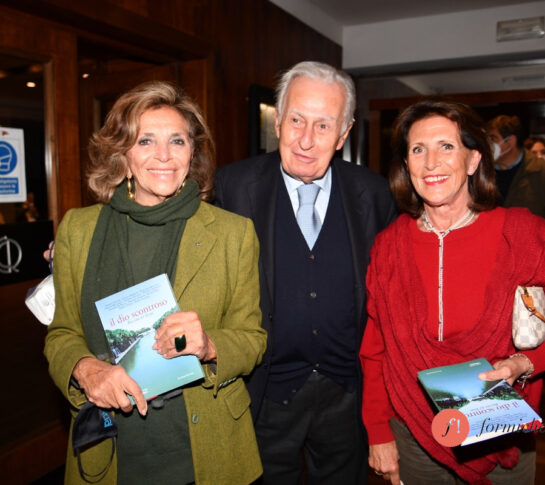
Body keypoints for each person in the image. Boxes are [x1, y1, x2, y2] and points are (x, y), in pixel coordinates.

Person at [44, 81, 267, 485]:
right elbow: (61, 334)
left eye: (177, 141)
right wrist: (85, 369)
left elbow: (252, 339)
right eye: (145, 140)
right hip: (112, 451)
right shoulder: (78, 229)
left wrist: (209, 345)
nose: (163, 155)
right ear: (122, 153)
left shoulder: (233, 233)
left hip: (205, 450)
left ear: (192, 152)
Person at [215, 61, 396, 484]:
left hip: (347, 397)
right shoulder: (233, 187)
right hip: (264, 395)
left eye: (323, 125)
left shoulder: (374, 194)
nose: (306, 140)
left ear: (343, 134)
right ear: (278, 121)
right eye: (296, 120)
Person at [360, 99, 545, 485]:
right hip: (415, 433)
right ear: (406, 164)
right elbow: (375, 350)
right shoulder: (388, 247)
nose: (431, 163)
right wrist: (378, 433)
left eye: (446, 146)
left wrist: (525, 363)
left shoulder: (523, 235)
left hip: (502, 429)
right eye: (418, 150)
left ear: (474, 160)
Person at [486, 115, 545, 218]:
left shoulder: (540, 170)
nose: (488, 144)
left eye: (493, 139)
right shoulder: (482, 172)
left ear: (510, 142)